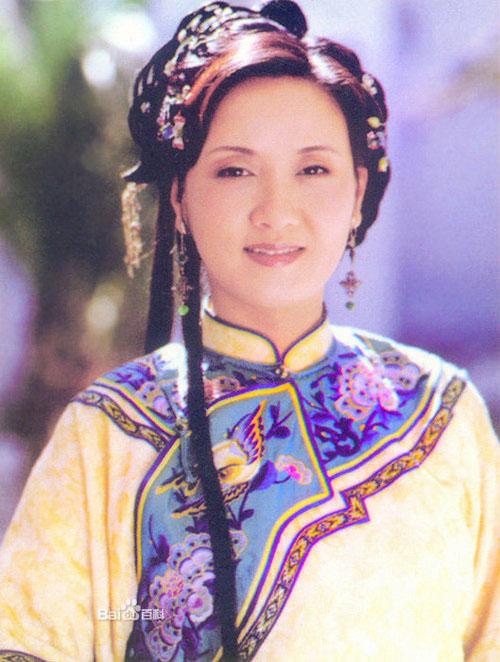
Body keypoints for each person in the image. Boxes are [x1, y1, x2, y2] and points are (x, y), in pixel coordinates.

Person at [0, 1, 498, 661]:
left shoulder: (442, 409)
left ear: (356, 193)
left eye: (312, 169)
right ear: (181, 197)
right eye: (235, 170)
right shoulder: (110, 430)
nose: (276, 210)